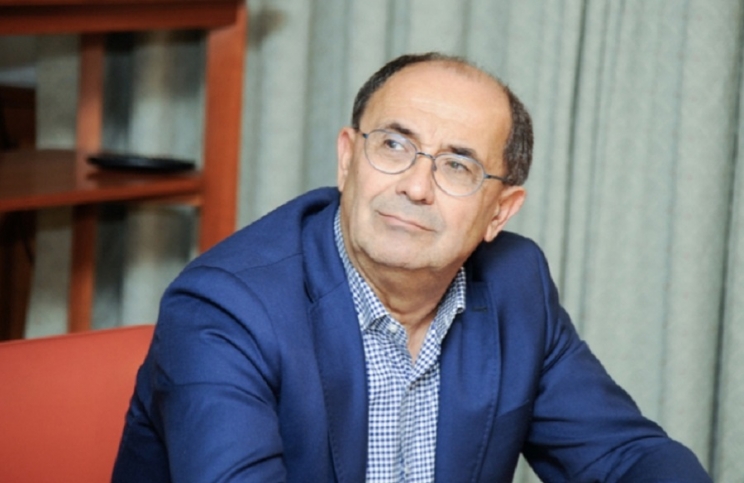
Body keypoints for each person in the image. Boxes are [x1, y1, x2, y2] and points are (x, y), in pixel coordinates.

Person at [112, 52, 711, 482]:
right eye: (394, 146)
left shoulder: (515, 283)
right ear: (348, 159)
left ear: (499, 211)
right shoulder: (224, 307)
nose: (416, 187)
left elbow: (624, 457)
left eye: (457, 166)